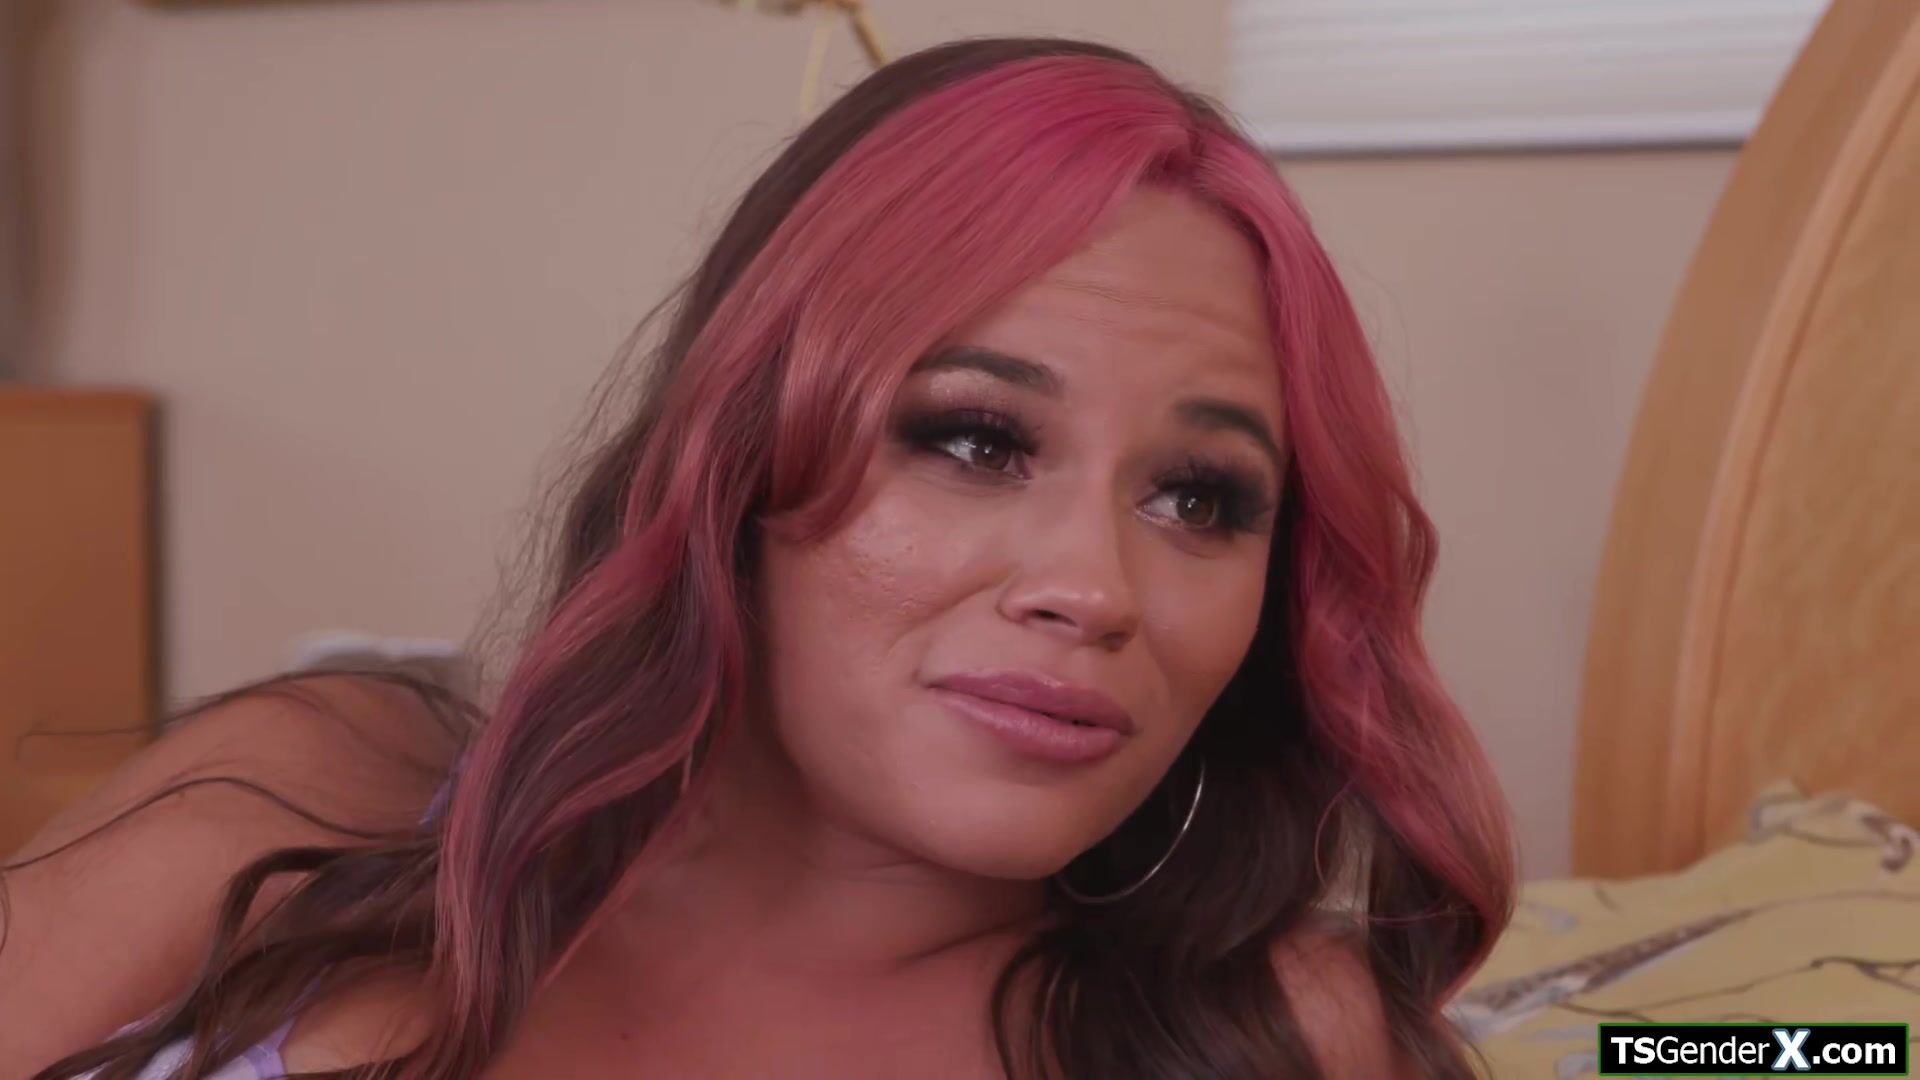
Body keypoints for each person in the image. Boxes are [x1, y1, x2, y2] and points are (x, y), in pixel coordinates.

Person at [0, 37, 1515, 1080]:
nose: (1096, 587)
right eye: (976, 440)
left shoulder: (1258, 1031)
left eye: (1198, 498)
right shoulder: (314, 792)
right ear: (735, 455)